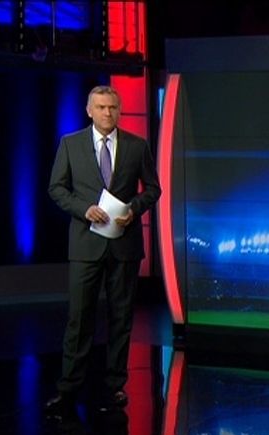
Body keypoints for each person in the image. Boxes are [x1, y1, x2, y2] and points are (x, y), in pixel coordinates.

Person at [46, 85, 162, 413]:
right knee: (79, 318)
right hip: (86, 245)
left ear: (119, 110)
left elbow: (153, 188)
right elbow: (56, 188)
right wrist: (83, 209)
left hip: (124, 246)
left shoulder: (137, 146)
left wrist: (134, 209)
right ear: (89, 111)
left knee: (121, 318)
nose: (107, 113)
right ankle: (69, 389)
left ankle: (114, 387)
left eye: (112, 107)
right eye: (101, 107)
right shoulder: (70, 144)